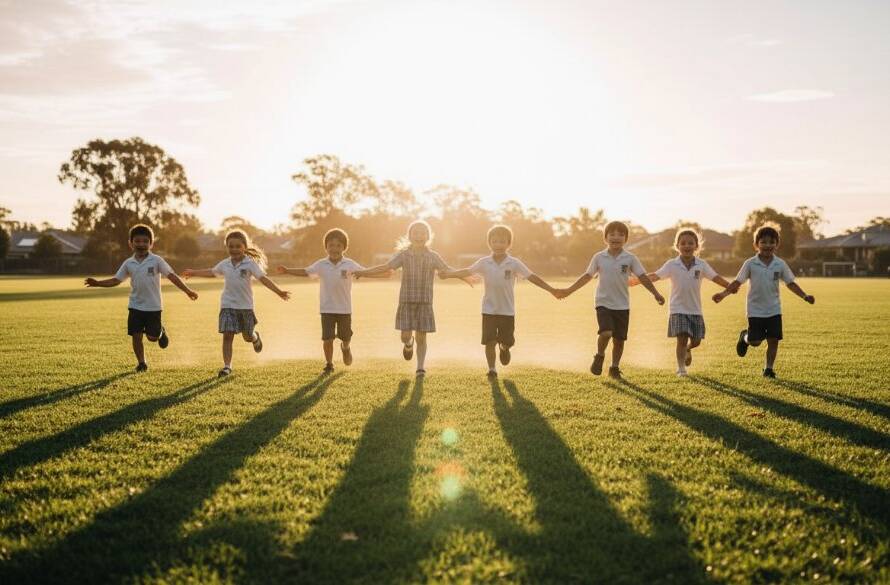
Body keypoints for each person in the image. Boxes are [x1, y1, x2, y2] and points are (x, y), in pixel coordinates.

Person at [439, 224, 559, 377]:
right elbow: (467, 271)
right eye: (495, 241)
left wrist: (551, 290)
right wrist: (449, 274)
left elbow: (532, 277)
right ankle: (492, 369)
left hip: (507, 311)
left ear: (509, 244)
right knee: (489, 341)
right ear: (489, 243)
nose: (498, 245)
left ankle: (504, 348)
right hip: (488, 310)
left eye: (502, 241)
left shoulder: (514, 263)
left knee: (507, 341)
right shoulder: (484, 262)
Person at [354, 220, 466, 377]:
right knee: (405, 336)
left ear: (428, 236)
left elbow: (447, 270)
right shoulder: (404, 255)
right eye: (416, 233)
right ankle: (408, 344)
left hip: (425, 303)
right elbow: (386, 267)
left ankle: (420, 367)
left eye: (422, 233)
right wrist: (364, 272)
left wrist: (464, 276)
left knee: (422, 336)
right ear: (410, 236)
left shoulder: (433, 256)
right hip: (406, 301)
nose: (419, 235)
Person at [556, 220, 665, 379]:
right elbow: (587, 276)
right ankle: (599, 356)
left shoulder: (630, 258)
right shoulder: (599, 257)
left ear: (625, 239)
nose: (616, 237)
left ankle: (614, 368)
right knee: (606, 333)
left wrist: (655, 293)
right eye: (612, 234)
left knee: (619, 340)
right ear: (605, 238)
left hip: (622, 305)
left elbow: (642, 277)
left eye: (621, 234)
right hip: (603, 303)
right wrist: (569, 291)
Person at [84, 224, 198, 372]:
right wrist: (98, 283)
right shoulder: (128, 263)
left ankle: (161, 332)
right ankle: (142, 363)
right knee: (136, 336)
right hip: (135, 306)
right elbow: (116, 280)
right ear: (131, 243)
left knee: (152, 337)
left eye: (145, 241)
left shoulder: (157, 260)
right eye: (137, 241)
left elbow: (172, 276)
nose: (141, 244)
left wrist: (187, 291)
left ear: (151, 243)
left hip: (153, 307)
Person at [276, 228, 389, 374]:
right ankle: (329, 364)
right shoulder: (321, 265)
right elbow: (305, 271)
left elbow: (366, 272)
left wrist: (383, 275)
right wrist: (287, 270)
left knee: (346, 337)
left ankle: (345, 348)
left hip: (344, 309)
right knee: (327, 339)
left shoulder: (349, 264)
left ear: (344, 247)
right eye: (331, 245)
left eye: (338, 246)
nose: (334, 248)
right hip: (327, 309)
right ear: (326, 247)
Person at [183, 229, 290, 377]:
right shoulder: (225, 264)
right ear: (227, 247)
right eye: (231, 246)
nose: (234, 249)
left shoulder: (250, 264)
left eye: (237, 246)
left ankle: (255, 337)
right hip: (227, 305)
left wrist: (279, 292)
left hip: (245, 307)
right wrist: (194, 272)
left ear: (244, 247)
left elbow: (263, 279)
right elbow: (212, 272)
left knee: (247, 337)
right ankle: (227, 367)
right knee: (227, 336)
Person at [713, 224, 815, 378]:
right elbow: (737, 282)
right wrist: (723, 294)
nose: (768, 245)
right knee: (755, 341)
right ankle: (745, 338)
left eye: (771, 242)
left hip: (774, 309)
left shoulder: (779, 264)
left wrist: (805, 296)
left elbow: (790, 283)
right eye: (764, 242)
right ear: (756, 245)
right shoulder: (750, 263)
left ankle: (768, 369)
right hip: (755, 310)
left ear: (776, 244)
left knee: (773, 340)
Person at [632, 228, 732, 376]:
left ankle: (688, 349)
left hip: (695, 309)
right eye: (683, 243)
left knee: (696, 341)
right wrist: (636, 280)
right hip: (677, 309)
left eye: (690, 243)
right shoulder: (672, 264)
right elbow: (655, 276)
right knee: (682, 338)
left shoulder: (702, 264)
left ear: (696, 246)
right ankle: (681, 369)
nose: (687, 246)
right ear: (677, 246)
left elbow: (715, 277)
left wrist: (730, 286)